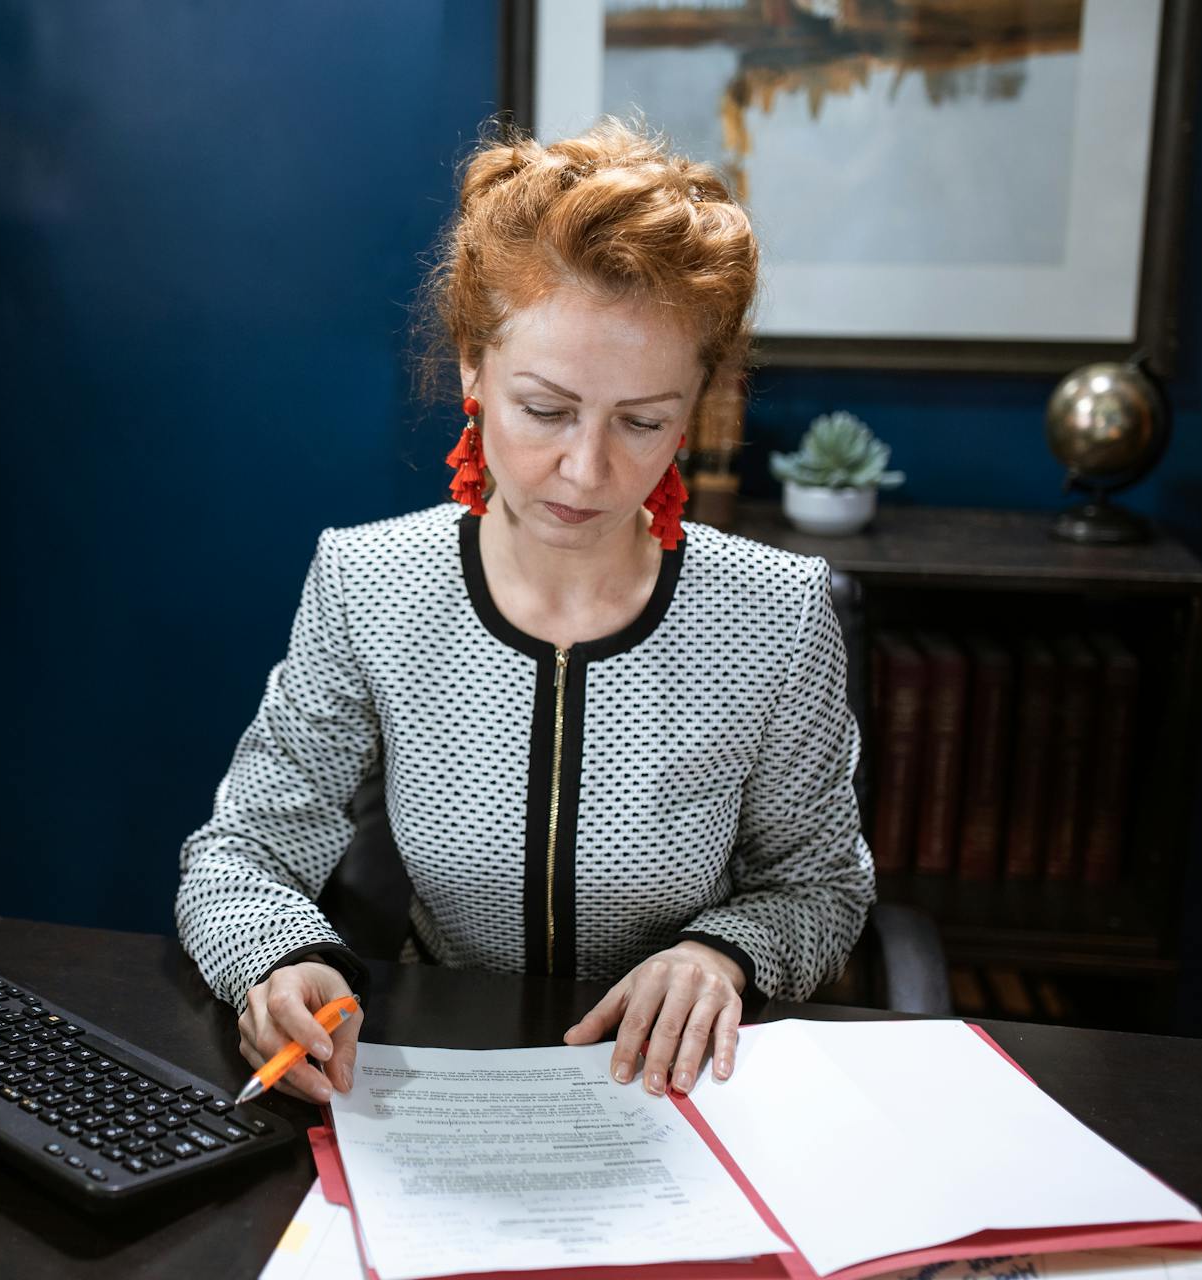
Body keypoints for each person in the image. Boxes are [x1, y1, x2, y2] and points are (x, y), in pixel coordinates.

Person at [175, 120, 876, 1108]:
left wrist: (723, 954)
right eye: (546, 408)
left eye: (642, 421)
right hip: (428, 1078)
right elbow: (240, 849)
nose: (589, 470)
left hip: (676, 1087)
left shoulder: (777, 614)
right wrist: (274, 961)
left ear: (695, 408)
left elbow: (822, 885)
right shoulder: (368, 581)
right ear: (474, 368)